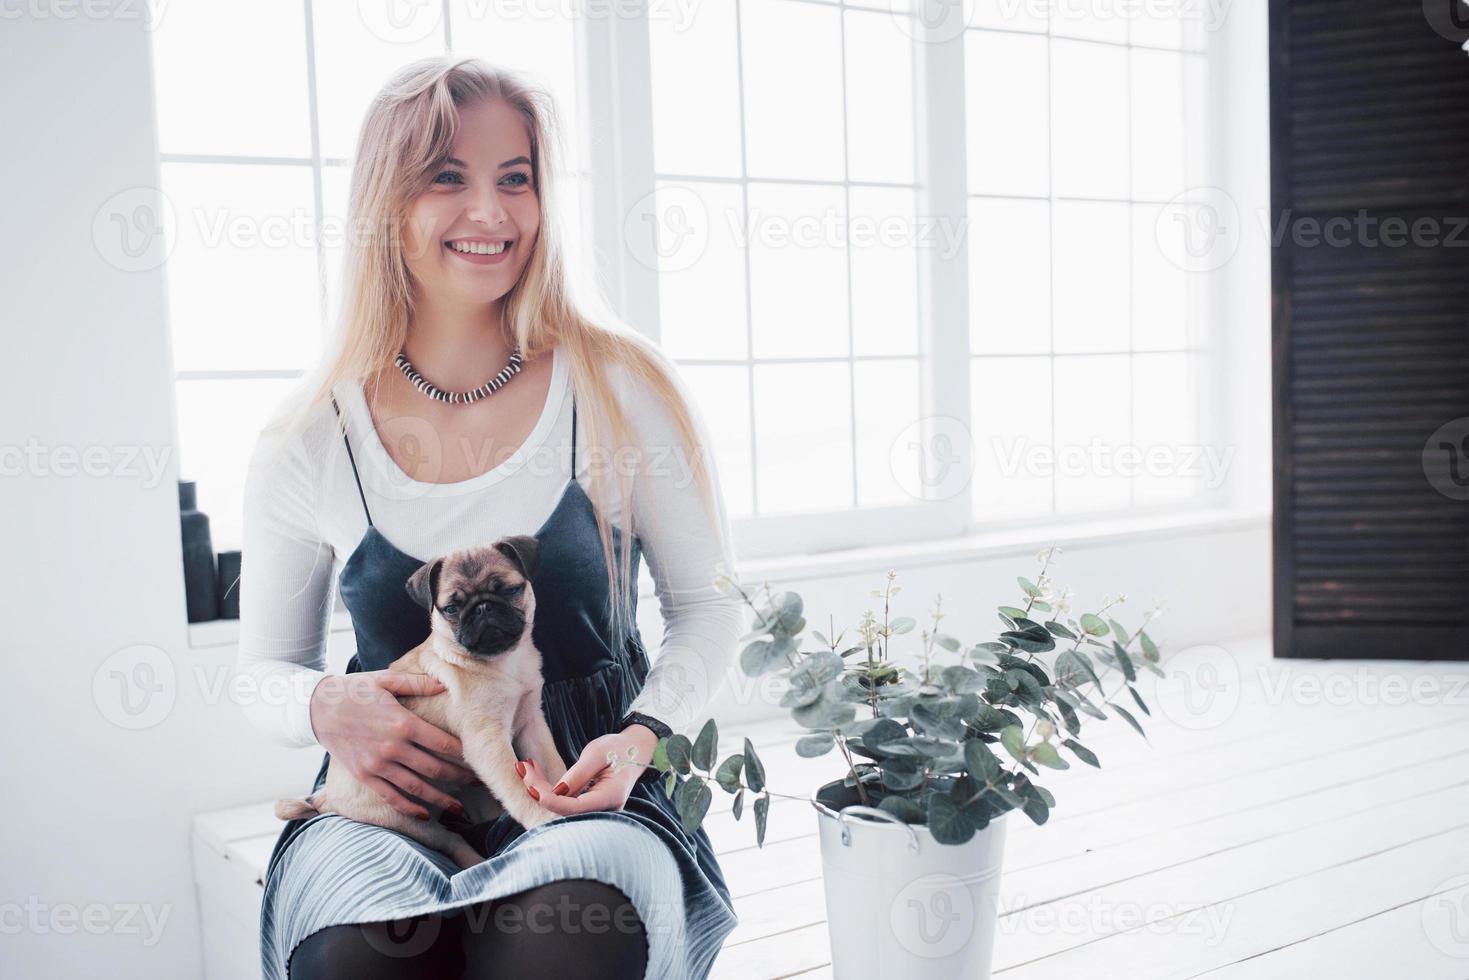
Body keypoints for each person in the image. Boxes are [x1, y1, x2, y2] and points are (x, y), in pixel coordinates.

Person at [238, 54, 743, 979]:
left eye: (516, 179)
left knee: (567, 930)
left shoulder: (619, 390)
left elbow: (713, 610)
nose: (492, 213)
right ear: (386, 205)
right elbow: (260, 670)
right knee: (359, 956)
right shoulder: (309, 435)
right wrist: (321, 704)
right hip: (393, 801)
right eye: (447, 179)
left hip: (584, 787)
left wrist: (640, 739)